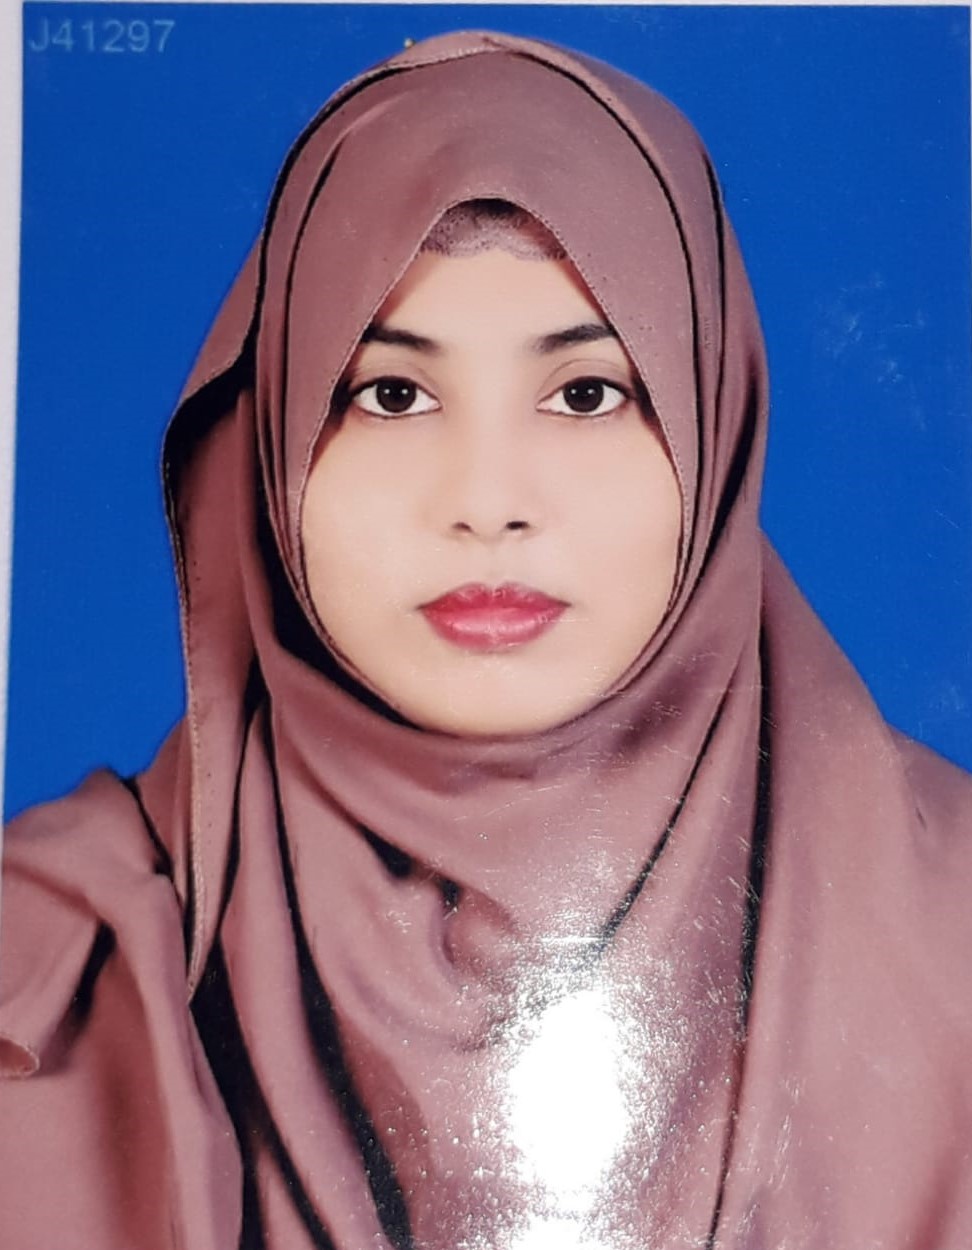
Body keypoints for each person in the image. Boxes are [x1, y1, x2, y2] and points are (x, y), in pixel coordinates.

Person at [1, 29, 970, 1250]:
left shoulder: (954, 919)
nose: (488, 499)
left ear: (714, 429)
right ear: (273, 442)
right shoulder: (48, 969)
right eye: (392, 394)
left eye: (586, 393)